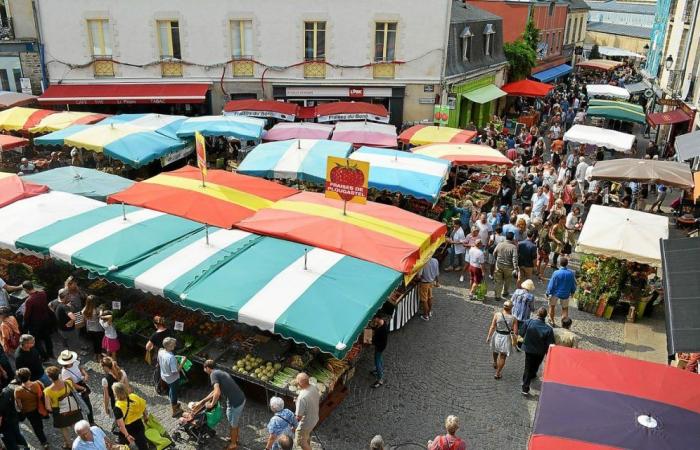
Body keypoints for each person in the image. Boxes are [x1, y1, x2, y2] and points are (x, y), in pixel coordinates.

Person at [199, 359, 246, 450]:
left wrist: (212, 404)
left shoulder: (213, 374)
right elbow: (214, 391)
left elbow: (217, 393)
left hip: (237, 402)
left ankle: (233, 444)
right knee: (230, 418)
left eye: (204, 368)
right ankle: (234, 437)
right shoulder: (218, 372)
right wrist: (203, 401)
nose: (204, 370)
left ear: (207, 368)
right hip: (232, 400)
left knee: (233, 424)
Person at [44, 365, 84, 449]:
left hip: (59, 411)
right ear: (59, 374)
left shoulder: (47, 391)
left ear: (50, 378)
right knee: (75, 425)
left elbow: (48, 407)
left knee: (64, 429)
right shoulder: (68, 382)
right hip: (72, 407)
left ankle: (69, 445)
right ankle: (82, 440)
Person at [520, 307, 555, 396]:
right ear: (545, 316)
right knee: (536, 364)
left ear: (537, 314)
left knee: (527, 367)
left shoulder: (529, 322)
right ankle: (532, 374)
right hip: (540, 351)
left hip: (528, 349)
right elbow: (550, 344)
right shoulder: (549, 329)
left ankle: (525, 387)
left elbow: (521, 333)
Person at [14, 367, 49, 449]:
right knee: (39, 423)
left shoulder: (18, 391)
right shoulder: (37, 384)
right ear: (29, 376)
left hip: (29, 411)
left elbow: (19, 405)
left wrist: (22, 410)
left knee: (35, 426)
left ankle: (44, 442)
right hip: (39, 407)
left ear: (19, 378)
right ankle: (41, 432)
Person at [58, 350, 94, 425]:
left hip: (81, 383)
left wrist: (86, 375)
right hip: (75, 389)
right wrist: (83, 389)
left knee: (88, 405)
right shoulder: (65, 372)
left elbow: (81, 368)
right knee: (80, 406)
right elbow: (72, 384)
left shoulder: (75, 362)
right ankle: (83, 423)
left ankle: (91, 421)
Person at [21, 281, 54, 361]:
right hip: (45, 320)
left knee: (36, 342)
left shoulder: (29, 300)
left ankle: (45, 357)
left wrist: (24, 325)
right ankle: (50, 353)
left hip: (35, 324)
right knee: (47, 338)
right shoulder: (43, 293)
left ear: (25, 289)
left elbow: (27, 315)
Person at [111, 382, 148, 450]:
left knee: (124, 446)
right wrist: (145, 417)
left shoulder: (118, 407)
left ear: (116, 394)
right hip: (139, 425)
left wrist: (127, 436)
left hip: (128, 429)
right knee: (142, 444)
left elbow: (121, 426)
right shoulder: (134, 396)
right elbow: (144, 407)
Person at [486, 301, 518, 379]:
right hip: (506, 337)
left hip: (497, 335)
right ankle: (497, 373)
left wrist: (488, 337)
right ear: (511, 308)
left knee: (495, 350)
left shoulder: (497, 315)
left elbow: (492, 326)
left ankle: (494, 362)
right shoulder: (514, 319)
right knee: (503, 356)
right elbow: (515, 332)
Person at [158, 337, 185, 417]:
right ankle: (175, 410)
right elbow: (175, 371)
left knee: (171, 389)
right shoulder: (171, 357)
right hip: (172, 378)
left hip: (164, 375)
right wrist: (183, 362)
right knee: (174, 392)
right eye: (173, 344)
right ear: (169, 346)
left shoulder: (161, 351)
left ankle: (173, 402)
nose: (175, 345)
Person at [546, 257, 577, 326]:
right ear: (567, 264)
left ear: (560, 263)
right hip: (565, 294)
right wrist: (572, 292)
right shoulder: (571, 274)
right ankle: (564, 323)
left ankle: (552, 321)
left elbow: (551, 284)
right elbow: (573, 284)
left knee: (552, 306)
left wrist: (548, 292)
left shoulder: (556, 273)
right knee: (565, 309)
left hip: (555, 293)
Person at [294, 372, 319, 450]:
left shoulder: (301, 397)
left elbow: (298, 417)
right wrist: (297, 402)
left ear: (300, 383)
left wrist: (292, 425)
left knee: (301, 442)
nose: (297, 382)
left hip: (306, 424)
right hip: (315, 418)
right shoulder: (314, 387)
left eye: (297, 381)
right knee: (306, 437)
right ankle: (308, 445)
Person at [0, 380, 28, 450]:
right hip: (14, 418)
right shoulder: (8, 390)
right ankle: (25, 448)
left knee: (10, 442)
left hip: (5, 425)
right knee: (18, 435)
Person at [493, 232, 519, 299]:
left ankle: (497, 295)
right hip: (509, 267)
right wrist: (516, 268)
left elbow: (494, 253)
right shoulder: (513, 247)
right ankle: (504, 292)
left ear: (506, 237)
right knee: (507, 280)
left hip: (498, 265)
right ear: (512, 238)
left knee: (498, 281)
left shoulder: (500, 244)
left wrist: (497, 259)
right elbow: (515, 258)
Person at [81, 295, 103, 362]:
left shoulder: (84, 310)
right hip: (98, 329)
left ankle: (95, 355)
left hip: (90, 329)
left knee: (94, 342)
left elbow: (84, 320)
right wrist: (102, 310)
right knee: (98, 343)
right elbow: (101, 316)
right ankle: (99, 356)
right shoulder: (97, 310)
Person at [371, 315, 389, 388]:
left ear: (378, 318)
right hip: (379, 346)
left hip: (380, 347)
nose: (374, 320)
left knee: (377, 360)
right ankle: (378, 371)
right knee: (379, 358)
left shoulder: (383, 329)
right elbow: (376, 329)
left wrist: (372, 342)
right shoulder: (382, 323)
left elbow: (382, 341)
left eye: (375, 318)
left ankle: (380, 379)